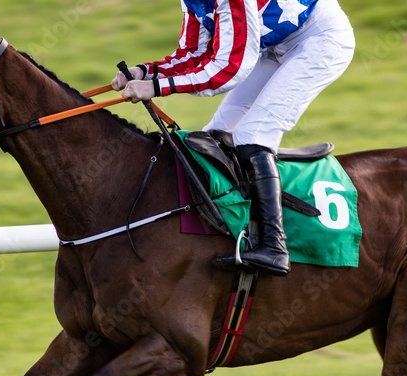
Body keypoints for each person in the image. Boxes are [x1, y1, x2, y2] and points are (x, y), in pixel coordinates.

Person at [112, 0, 355, 277]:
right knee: (214, 135)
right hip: (270, 46)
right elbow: (195, 53)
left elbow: (228, 69)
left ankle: (274, 247)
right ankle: (234, 228)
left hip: (319, 39)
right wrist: (146, 72)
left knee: (253, 135)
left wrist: (156, 87)